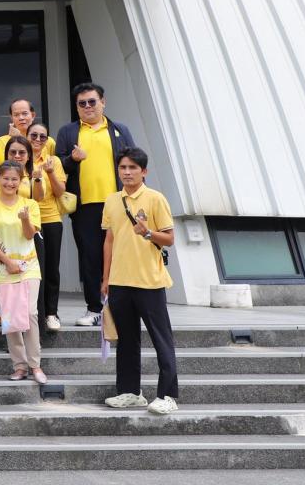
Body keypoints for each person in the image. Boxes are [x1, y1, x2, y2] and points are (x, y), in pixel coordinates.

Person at [102, 148, 178, 416]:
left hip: (150, 282)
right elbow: (109, 240)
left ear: (144, 171)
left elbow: (169, 239)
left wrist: (148, 233)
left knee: (161, 339)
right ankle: (130, 392)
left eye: (133, 167)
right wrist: (105, 278)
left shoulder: (156, 198)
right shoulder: (112, 200)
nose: (127, 172)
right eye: (123, 167)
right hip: (119, 280)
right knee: (126, 340)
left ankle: (168, 395)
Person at [56, 82, 136, 326]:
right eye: (82, 103)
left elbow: (134, 162)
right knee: (90, 257)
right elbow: (58, 166)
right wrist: (72, 159)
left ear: (103, 102)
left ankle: (120, 308)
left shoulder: (119, 130)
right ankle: (94, 309)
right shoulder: (68, 132)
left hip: (117, 204)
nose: (88, 106)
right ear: (77, 107)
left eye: (92, 101)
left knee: (120, 256)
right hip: (85, 207)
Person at [0, 161, 45, 384]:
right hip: (1, 268)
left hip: (29, 267)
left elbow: (29, 235)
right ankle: (19, 366)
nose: (9, 183)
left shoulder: (30, 204)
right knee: (10, 317)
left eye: (14, 179)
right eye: (5, 178)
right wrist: (7, 261)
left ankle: (35, 365)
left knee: (30, 313)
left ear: (21, 181)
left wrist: (25, 219)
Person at [28, 123, 68, 331]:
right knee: (31, 270)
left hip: (50, 218)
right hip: (26, 220)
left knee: (51, 267)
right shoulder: (20, 158)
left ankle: (51, 313)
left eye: (42, 137)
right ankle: (34, 312)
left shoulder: (54, 161)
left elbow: (60, 192)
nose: (37, 139)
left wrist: (50, 172)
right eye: (33, 135)